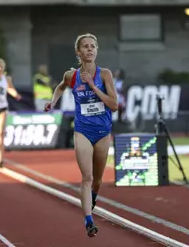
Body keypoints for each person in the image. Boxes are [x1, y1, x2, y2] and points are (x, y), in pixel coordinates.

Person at [44, 33, 118, 238]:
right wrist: (54, 101)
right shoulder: (72, 76)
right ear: (78, 51)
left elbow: (114, 105)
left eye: (93, 46)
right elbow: (60, 86)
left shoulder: (105, 75)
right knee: (87, 177)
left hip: (103, 132)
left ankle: (92, 199)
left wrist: (93, 87)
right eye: (85, 46)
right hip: (83, 131)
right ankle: (88, 221)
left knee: (97, 181)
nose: (90, 49)